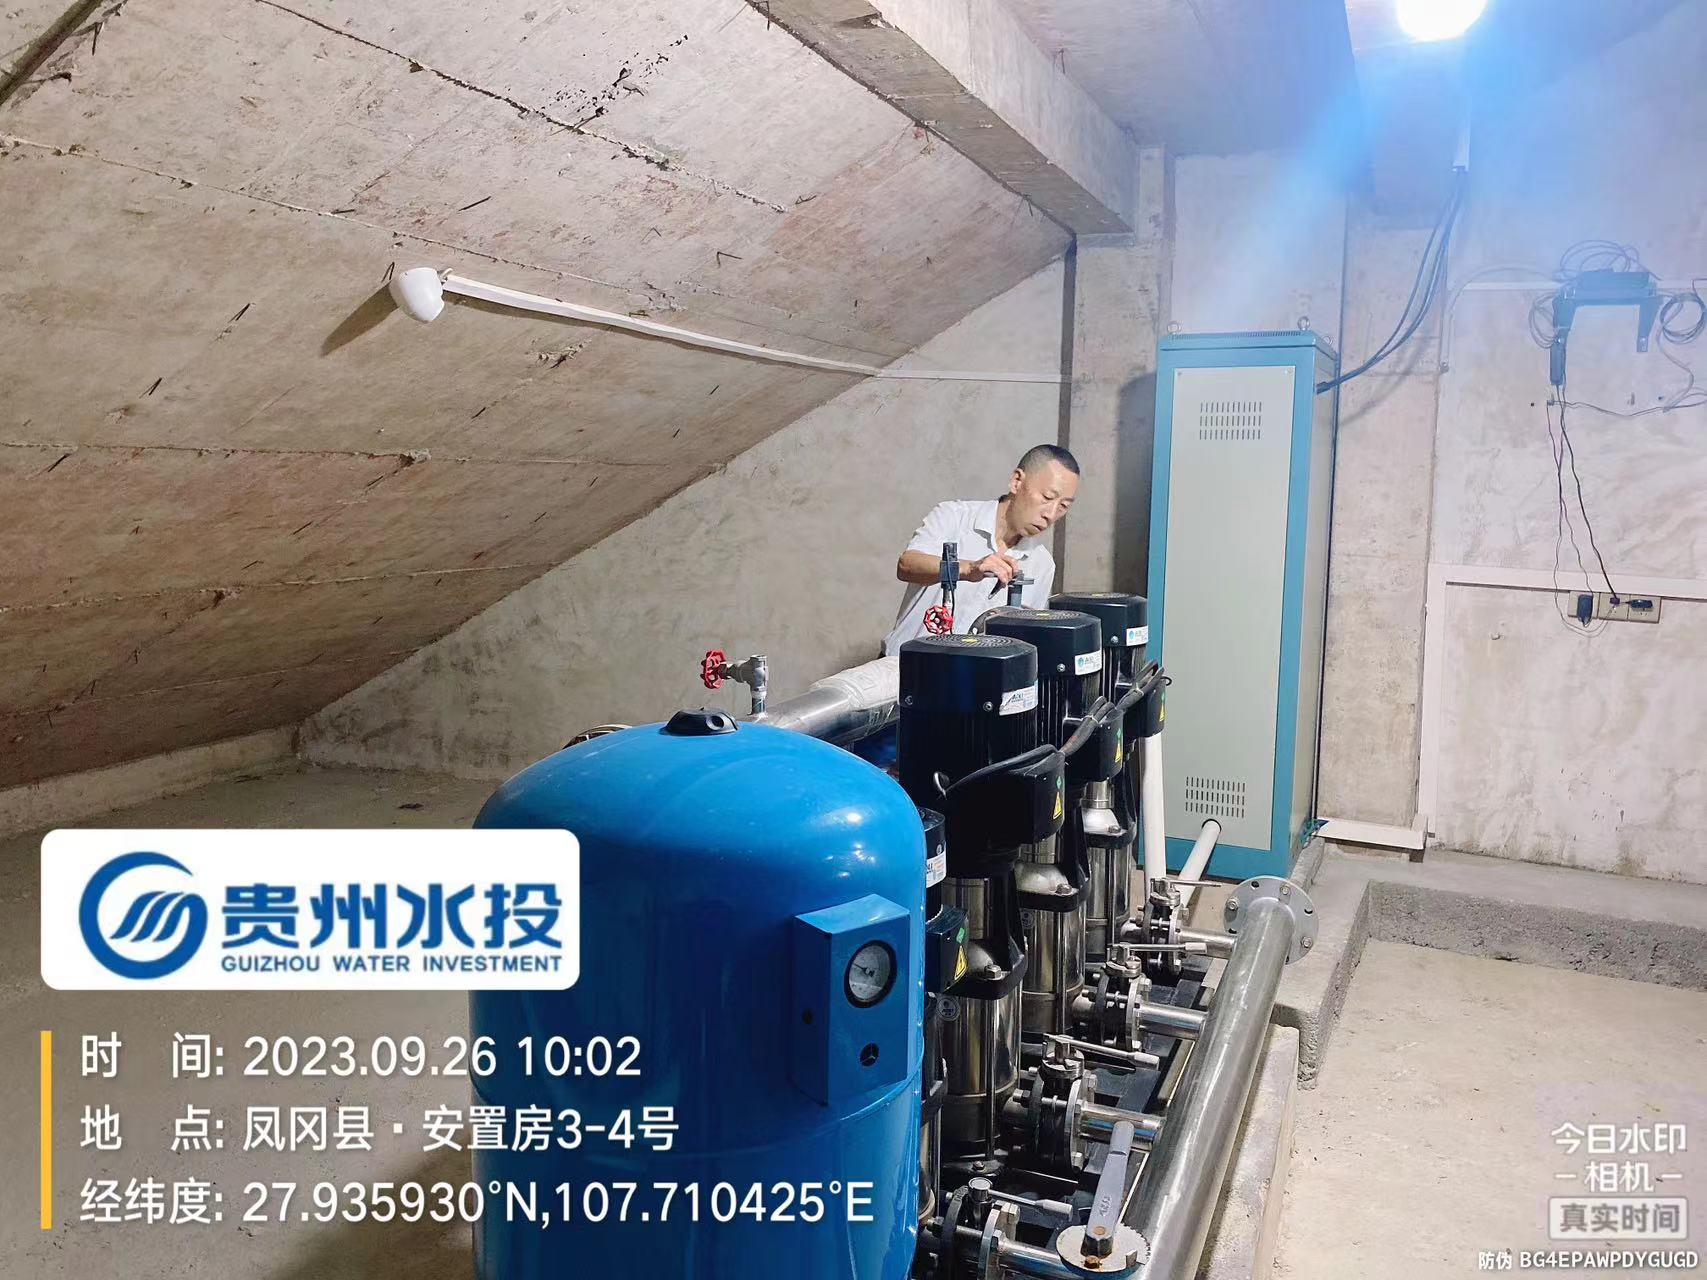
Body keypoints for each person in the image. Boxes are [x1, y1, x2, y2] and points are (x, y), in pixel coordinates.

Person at [882, 444, 1080, 655]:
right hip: (903, 665)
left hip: (973, 673)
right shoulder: (953, 517)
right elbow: (907, 565)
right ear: (1016, 482)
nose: (1051, 514)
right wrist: (968, 569)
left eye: (1063, 506)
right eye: (1047, 497)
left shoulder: (1042, 564)